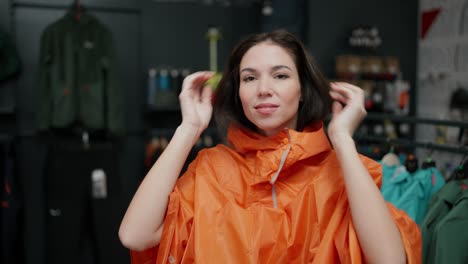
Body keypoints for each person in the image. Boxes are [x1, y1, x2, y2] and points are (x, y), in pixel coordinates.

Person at [119, 30, 421, 263]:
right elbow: (135, 235)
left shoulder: (341, 176)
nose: (263, 89)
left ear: (302, 89)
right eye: (249, 78)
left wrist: (342, 138)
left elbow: (389, 259)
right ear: (239, 93)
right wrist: (189, 129)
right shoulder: (212, 169)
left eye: (280, 75)